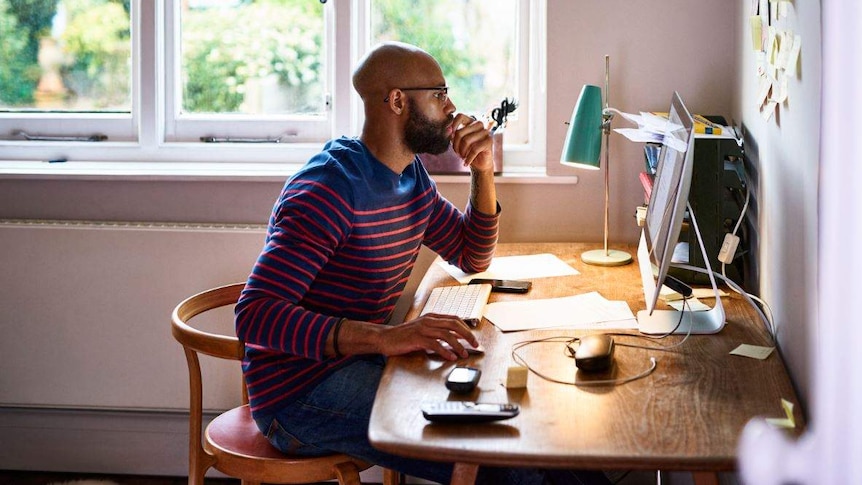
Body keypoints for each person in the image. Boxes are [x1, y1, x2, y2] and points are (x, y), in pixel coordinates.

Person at [235, 41, 610, 485]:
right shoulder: (328, 191)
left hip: (362, 363)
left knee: (544, 435)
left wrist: (483, 169)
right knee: (511, 461)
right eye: (439, 94)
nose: (452, 108)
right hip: (299, 395)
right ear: (397, 101)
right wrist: (389, 337)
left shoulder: (410, 177)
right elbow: (254, 316)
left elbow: (472, 255)